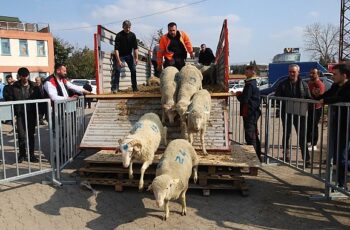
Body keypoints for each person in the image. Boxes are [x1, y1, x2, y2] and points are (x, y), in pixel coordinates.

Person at [318, 64, 350, 189]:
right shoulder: (336, 85)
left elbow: (344, 97)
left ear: (344, 75)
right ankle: (341, 183)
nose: (333, 76)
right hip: (339, 124)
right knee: (338, 155)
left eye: (335, 74)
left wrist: (326, 101)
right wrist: (316, 97)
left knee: (341, 156)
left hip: (347, 125)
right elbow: (327, 95)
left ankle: (341, 184)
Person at [275, 64, 311, 167]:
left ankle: (306, 159)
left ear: (298, 72)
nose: (291, 73)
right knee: (286, 134)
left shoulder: (304, 84)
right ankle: (285, 156)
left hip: (300, 114)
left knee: (302, 136)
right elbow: (277, 97)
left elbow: (309, 98)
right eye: (290, 71)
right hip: (286, 113)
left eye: (293, 72)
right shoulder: (283, 84)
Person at [8, 67, 41, 163]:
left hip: (31, 114)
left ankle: (31, 155)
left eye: (26, 75)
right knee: (21, 136)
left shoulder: (34, 86)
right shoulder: (14, 87)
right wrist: (13, 114)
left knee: (31, 135)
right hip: (20, 115)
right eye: (23, 76)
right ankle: (22, 155)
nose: (25, 78)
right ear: (19, 76)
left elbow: (39, 99)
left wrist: (39, 113)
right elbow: (10, 99)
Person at [236, 66, 262, 162]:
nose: (245, 72)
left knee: (250, 137)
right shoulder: (253, 82)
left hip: (250, 113)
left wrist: (238, 95)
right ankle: (258, 157)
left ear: (253, 72)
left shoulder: (250, 84)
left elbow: (245, 99)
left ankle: (254, 158)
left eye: (247, 70)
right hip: (253, 112)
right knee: (254, 135)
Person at [111, 20, 139, 93]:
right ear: (123, 27)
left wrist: (136, 58)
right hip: (120, 55)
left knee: (133, 70)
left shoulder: (133, 35)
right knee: (117, 70)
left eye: (129, 27)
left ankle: (135, 87)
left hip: (129, 55)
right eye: (126, 27)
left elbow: (135, 48)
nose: (128, 29)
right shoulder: (119, 35)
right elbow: (116, 50)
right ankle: (115, 88)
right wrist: (119, 61)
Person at [307, 68, 325, 151]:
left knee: (314, 125)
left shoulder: (319, 84)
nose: (311, 75)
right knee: (309, 125)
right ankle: (308, 141)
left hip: (317, 108)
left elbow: (319, 96)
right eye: (310, 73)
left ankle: (314, 144)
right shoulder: (310, 83)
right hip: (310, 107)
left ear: (317, 74)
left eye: (313, 73)